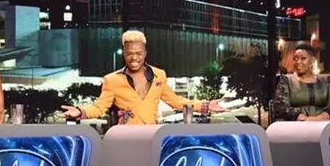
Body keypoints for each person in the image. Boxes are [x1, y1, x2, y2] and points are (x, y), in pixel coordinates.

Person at [60, 30, 226, 125]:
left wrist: (206, 105)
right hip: (125, 141)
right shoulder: (112, 80)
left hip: (153, 138)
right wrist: (80, 111)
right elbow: (99, 108)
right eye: (129, 54)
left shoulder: (159, 75)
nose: (134, 58)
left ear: (145, 53)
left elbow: (176, 101)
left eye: (138, 53)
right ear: (124, 54)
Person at [273, 43, 330, 122]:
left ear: (312, 60)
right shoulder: (286, 80)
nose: (298, 62)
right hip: (294, 125)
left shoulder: (326, 81)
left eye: (303, 58)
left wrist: (317, 119)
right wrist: (301, 118)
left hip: (322, 124)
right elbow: (280, 107)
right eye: (295, 58)